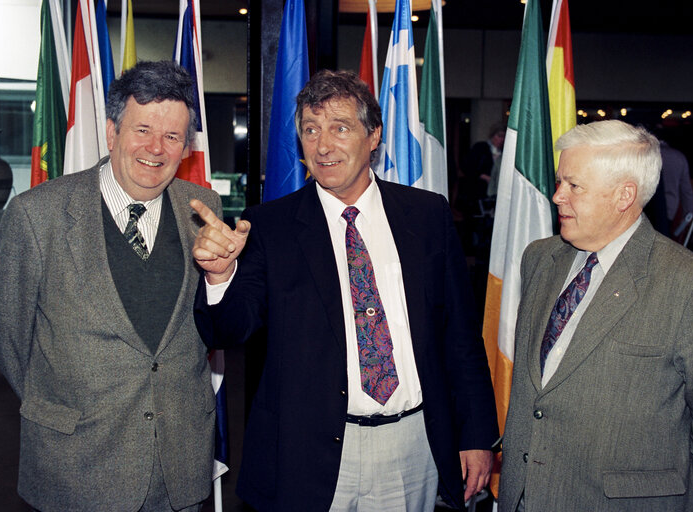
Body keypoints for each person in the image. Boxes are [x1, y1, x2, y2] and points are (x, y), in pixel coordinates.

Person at [190, 69, 499, 511]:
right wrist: (220, 276)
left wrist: (476, 436)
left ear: (373, 137)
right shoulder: (270, 226)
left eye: (340, 128)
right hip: (307, 455)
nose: (323, 146)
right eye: (310, 130)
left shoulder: (427, 216)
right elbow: (229, 330)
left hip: (413, 444)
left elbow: (461, 339)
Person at [0, 60, 222, 512]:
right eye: (143, 130)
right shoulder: (38, 216)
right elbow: (4, 334)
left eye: (172, 137)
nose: (156, 148)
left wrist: (224, 276)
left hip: (179, 469)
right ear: (112, 132)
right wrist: (59, 407)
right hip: (75, 467)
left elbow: (216, 321)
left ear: (186, 147)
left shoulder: (203, 209)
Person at [498, 120, 693, 512]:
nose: (557, 196)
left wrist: (654, 472)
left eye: (574, 186)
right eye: (560, 182)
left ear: (624, 195)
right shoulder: (539, 259)